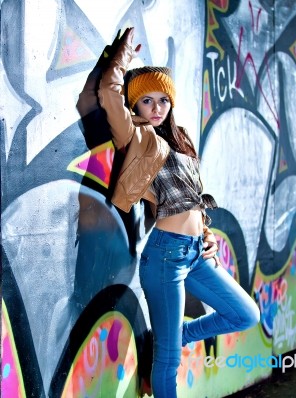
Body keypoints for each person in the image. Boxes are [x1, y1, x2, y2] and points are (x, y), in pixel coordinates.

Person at [98, 27, 260, 398]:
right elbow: (109, 93)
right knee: (169, 362)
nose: (156, 108)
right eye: (146, 102)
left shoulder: (182, 141)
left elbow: (192, 199)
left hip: (194, 254)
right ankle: (168, 343)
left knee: (244, 314)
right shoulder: (137, 139)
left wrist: (206, 234)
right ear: (135, 107)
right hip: (165, 256)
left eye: (162, 101)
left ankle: (173, 335)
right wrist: (120, 57)